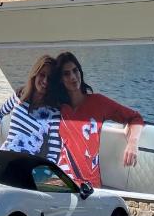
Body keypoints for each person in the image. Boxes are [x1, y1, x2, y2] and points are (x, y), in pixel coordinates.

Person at [54, 51, 144, 189]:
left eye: (75, 70)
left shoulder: (98, 103)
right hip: (60, 183)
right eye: (66, 74)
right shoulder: (55, 107)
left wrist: (132, 142)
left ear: (80, 72)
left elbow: (135, 118)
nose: (73, 76)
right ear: (60, 79)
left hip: (90, 186)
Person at [0, 55, 62, 163]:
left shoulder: (54, 113)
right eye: (42, 75)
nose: (45, 81)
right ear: (35, 74)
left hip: (26, 167)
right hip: (3, 159)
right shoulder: (20, 95)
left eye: (49, 78)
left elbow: (54, 153)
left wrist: (43, 174)